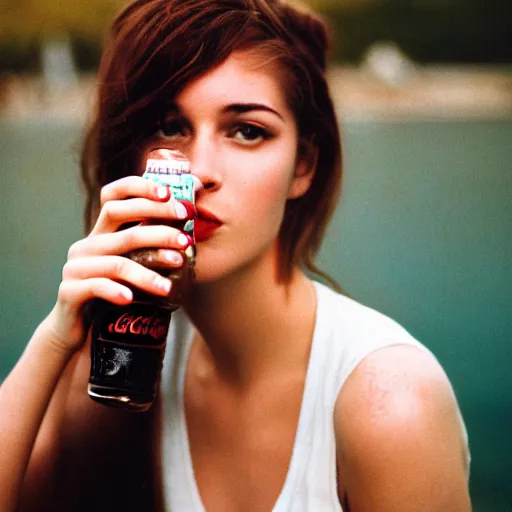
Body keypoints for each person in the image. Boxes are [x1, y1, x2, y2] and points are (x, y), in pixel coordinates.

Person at [0, 0, 471, 510]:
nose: (200, 170)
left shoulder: (390, 403)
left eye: (247, 131)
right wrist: (53, 338)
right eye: (168, 127)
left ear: (302, 167)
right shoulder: (128, 358)